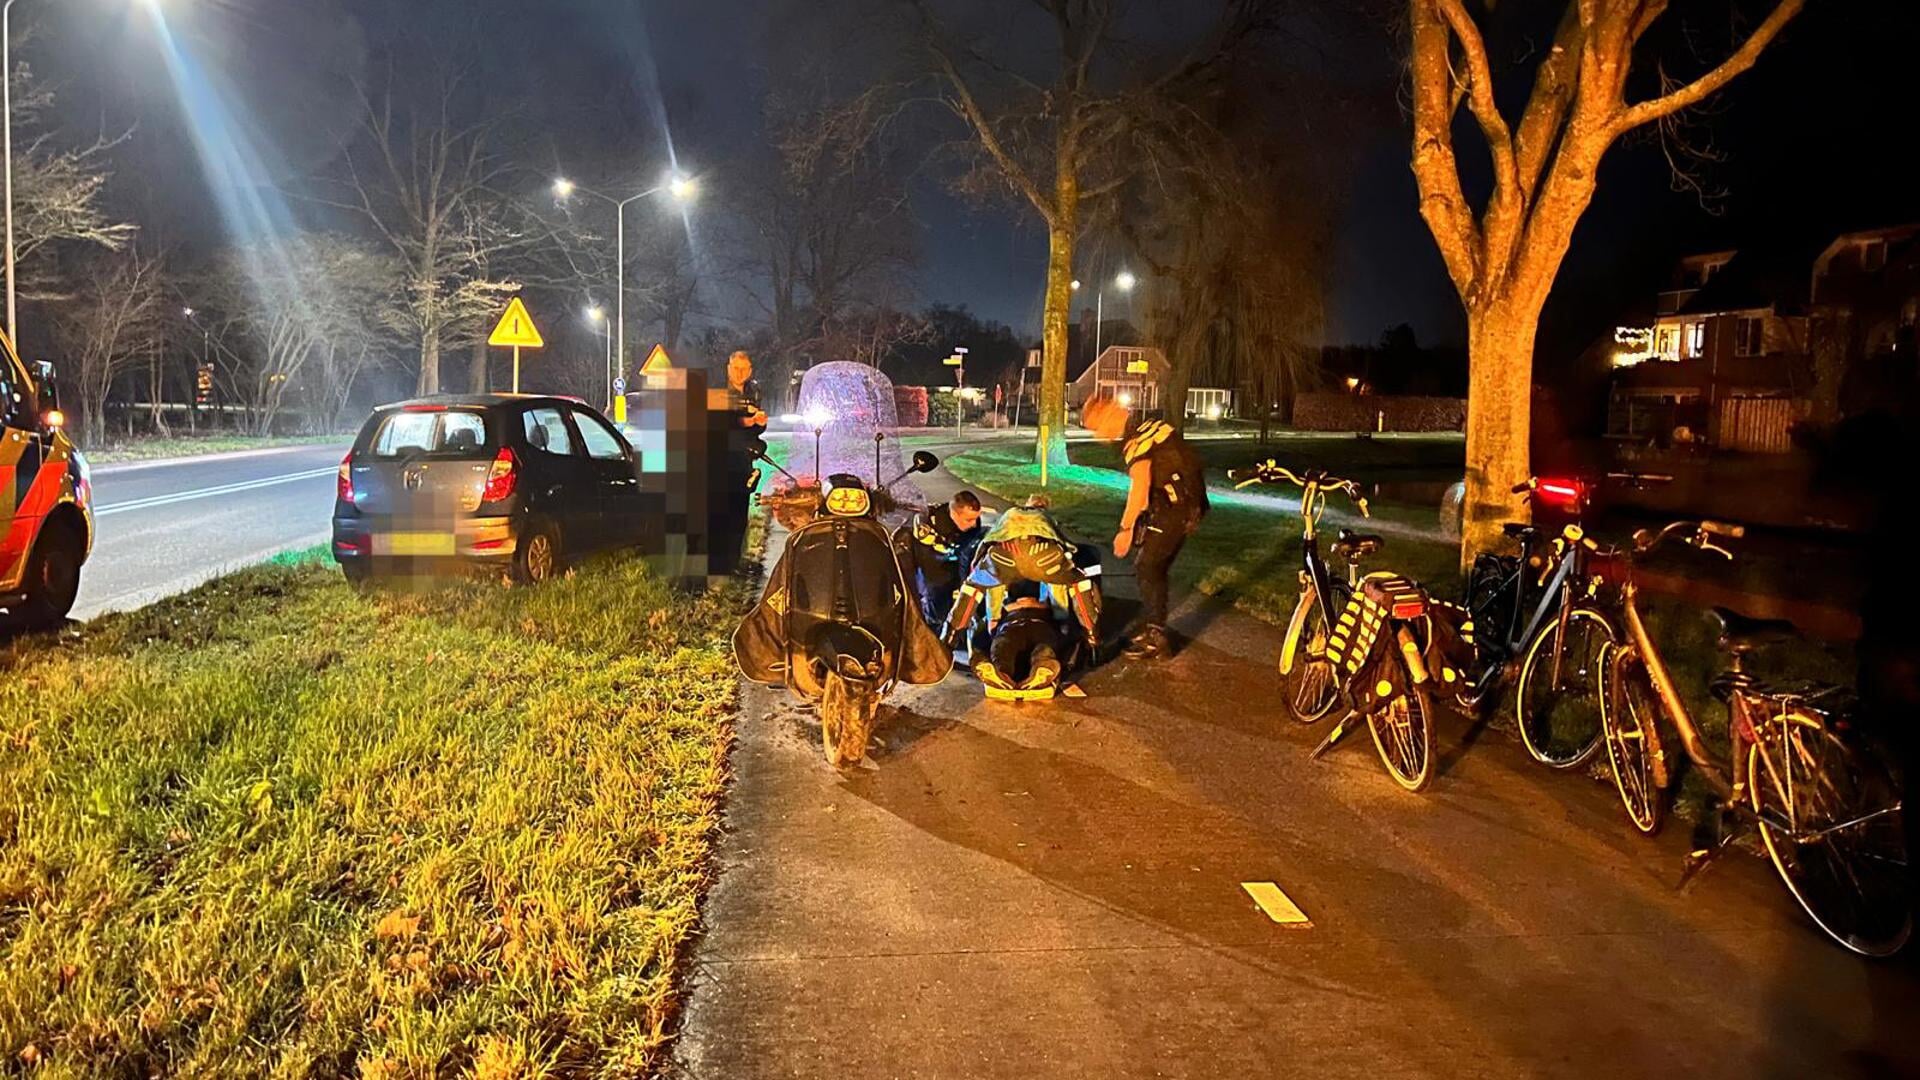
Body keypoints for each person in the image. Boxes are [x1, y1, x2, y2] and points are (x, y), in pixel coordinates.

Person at [944, 494, 1100, 656]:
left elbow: (985, 549)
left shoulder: (1009, 515)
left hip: (1005, 553)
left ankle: (950, 639)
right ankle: (1089, 637)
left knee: (975, 587)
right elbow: (1064, 547)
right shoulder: (1046, 518)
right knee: (1077, 582)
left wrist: (992, 614)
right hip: (1044, 555)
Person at [1112, 419, 1209, 659]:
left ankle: (1157, 639)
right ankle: (1153, 626)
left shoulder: (1137, 443)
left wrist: (1125, 529)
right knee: (1154, 568)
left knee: (1147, 566)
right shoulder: (1148, 430)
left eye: (1097, 424)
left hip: (1175, 509)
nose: (1097, 433)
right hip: (1186, 504)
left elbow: (1140, 490)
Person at [894, 490, 986, 628]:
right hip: (932, 568)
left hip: (953, 563)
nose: (974, 524)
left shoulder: (971, 526)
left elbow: (966, 553)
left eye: (976, 518)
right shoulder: (931, 529)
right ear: (954, 514)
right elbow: (930, 572)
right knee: (936, 603)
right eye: (969, 520)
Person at [713, 351, 769, 574]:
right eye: (736, 368)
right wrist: (749, 420)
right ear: (728, 368)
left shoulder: (753, 392)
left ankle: (734, 563)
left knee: (739, 515)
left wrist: (761, 423)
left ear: (750, 370)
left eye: (744, 369)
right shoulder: (718, 392)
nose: (740, 373)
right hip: (721, 462)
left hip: (743, 462)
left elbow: (757, 429)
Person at [973, 579, 1065, 692]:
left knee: (1043, 649)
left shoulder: (1044, 598)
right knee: (1003, 645)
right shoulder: (1005, 600)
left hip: (1041, 624)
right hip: (1012, 626)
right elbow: (991, 616)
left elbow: (1060, 610)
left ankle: (1042, 669)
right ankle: (1000, 673)